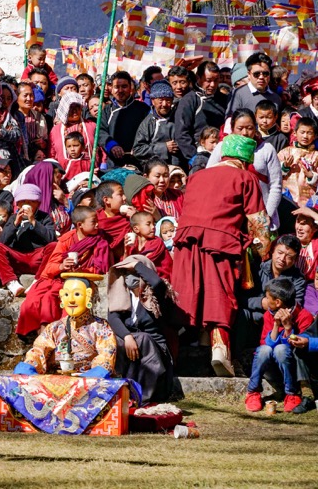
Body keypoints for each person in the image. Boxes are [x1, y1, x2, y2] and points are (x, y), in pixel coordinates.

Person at [172, 134, 271, 376]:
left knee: (192, 292)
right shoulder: (245, 178)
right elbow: (258, 223)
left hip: (187, 243)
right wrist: (263, 251)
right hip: (221, 241)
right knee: (220, 294)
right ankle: (219, 350)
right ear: (246, 160)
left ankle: (187, 352)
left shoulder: (195, 177)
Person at [15, 206, 110, 336]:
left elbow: (101, 267)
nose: (98, 224)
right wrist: (61, 266)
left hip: (79, 279)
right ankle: (38, 335)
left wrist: (82, 270)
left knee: (50, 297)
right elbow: (50, 266)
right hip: (59, 277)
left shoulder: (100, 240)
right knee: (32, 299)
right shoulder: (66, 240)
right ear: (80, 225)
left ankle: (49, 333)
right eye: (93, 222)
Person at [14, 274, 116, 377]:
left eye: (77, 294)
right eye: (66, 295)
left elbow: (106, 355)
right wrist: (29, 367)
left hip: (88, 381)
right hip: (55, 382)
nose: (71, 300)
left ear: (88, 297)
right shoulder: (54, 328)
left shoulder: (101, 327)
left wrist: (92, 375)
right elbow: (38, 351)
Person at [108, 255, 180, 402]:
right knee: (116, 341)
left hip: (154, 351)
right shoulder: (122, 297)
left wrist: (137, 265)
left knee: (143, 338)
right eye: (127, 274)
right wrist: (127, 336)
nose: (130, 277)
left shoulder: (156, 296)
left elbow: (157, 283)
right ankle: (121, 392)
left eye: (134, 273)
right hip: (130, 346)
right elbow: (113, 318)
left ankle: (143, 396)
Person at [245, 277, 313, 413]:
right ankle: (252, 392)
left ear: (277, 302)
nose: (265, 299)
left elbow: (300, 349)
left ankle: (292, 393)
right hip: (272, 368)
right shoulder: (268, 315)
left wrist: (288, 328)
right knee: (264, 350)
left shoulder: (304, 317)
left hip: (293, 369)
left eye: (267, 297)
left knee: (281, 349)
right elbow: (265, 344)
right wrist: (276, 325)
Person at [0, 184, 57, 299]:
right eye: (23, 201)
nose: (27, 205)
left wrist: (34, 222)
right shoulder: (13, 218)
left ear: (38, 204)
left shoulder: (44, 217)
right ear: (18, 204)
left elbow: (51, 238)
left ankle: (38, 281)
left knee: (54, 246)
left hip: (37, 258)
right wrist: (15, 224)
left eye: (31, 202)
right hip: (18, 258)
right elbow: (3, 241)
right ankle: (11, 283)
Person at [99, 71, 150, 166]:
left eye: (124, 86)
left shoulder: (143, 109)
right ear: (112, 89)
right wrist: (111, 145)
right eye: (116, 87)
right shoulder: (107, 110)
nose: (120, 90)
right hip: (114, 164)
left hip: (139, 162)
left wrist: (140, 148)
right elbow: (100, 131)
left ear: (130, 88)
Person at [133, 80, 184, 169]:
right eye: (160, 100)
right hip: (155, 169)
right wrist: (164, 147)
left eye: (168, 100)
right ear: (153, 101)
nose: (164, 104)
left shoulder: (179, 118)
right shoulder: (148, 122)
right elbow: (138, 150)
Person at [227, 52, 282, 117]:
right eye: (256, 74)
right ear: (249, 74)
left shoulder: (276, 98)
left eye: (265, 74)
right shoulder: (238, 94)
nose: (261, 77)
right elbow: (230, 121)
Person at [279, 116, 318, 206]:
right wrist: (284, 166)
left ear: (315, 136)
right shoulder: (286, 151)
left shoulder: (316, 156)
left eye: (309, 133)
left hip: (310, 199)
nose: (305, 136)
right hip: (287, 196)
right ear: (295, 133)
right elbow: (273, 173)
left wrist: (312, 176)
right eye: (302, 132)